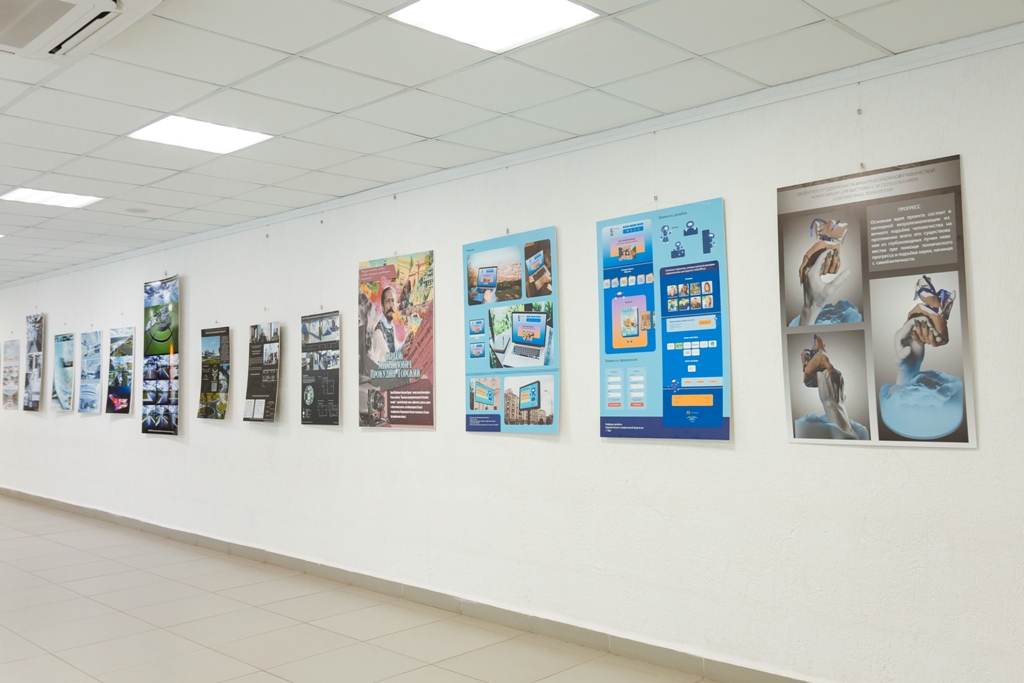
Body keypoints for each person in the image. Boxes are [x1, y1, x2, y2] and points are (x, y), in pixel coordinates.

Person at [367, 286, 415, 364]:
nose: (391, 305)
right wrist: (400, 355)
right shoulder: (378, 333)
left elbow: (390, 354)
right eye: (388, 301)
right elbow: (384, 364)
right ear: (382, 307)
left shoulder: (389, 326)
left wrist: (405, 343)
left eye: (393, 301)